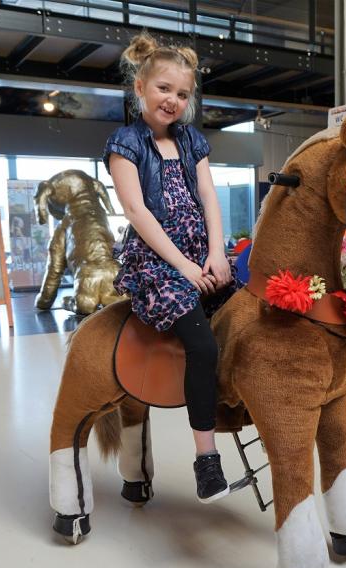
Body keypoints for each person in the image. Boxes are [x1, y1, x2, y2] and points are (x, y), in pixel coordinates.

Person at [104, 32, 236, 503]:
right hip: (158, 262)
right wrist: (183, 268)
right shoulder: (126, 143)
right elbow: (137, 212)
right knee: (201, 343)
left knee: (249, 312)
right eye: (164, 89)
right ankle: (207, 458)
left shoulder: (192, 140)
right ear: (140, 87)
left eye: (182, 94)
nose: (173, 100)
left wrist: (216, 253)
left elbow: (208, 198)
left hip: (202, 252)